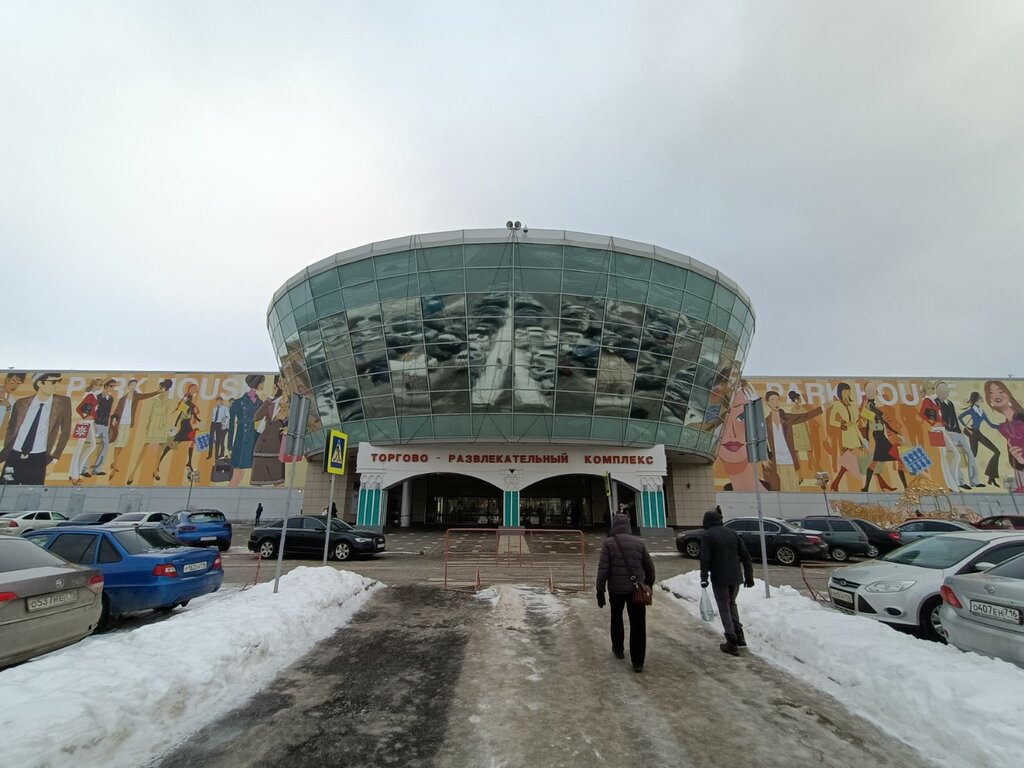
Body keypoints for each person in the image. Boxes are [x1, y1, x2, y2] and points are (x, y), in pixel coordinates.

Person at [596, 513, 655, 673]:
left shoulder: (608, 543)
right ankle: (638, 661)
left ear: (614, 526)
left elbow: (603, 569)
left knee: (616, 618)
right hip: (636, 590)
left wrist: (600, 590)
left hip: (616, 591)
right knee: (638, 624)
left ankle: (618, 649)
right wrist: (647, 585)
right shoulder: (639, 543)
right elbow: (650, 568)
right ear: (628, 526)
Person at [699, 506, 755, 657]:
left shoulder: (707, 535)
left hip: (720, 578)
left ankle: (731, 641)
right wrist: (749, 576)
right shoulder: (732, 533)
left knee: (724, 606)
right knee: (731, 604)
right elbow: (745, 555)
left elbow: (705, 559)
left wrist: (704, 578)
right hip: (736, 577)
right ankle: (739, 635)